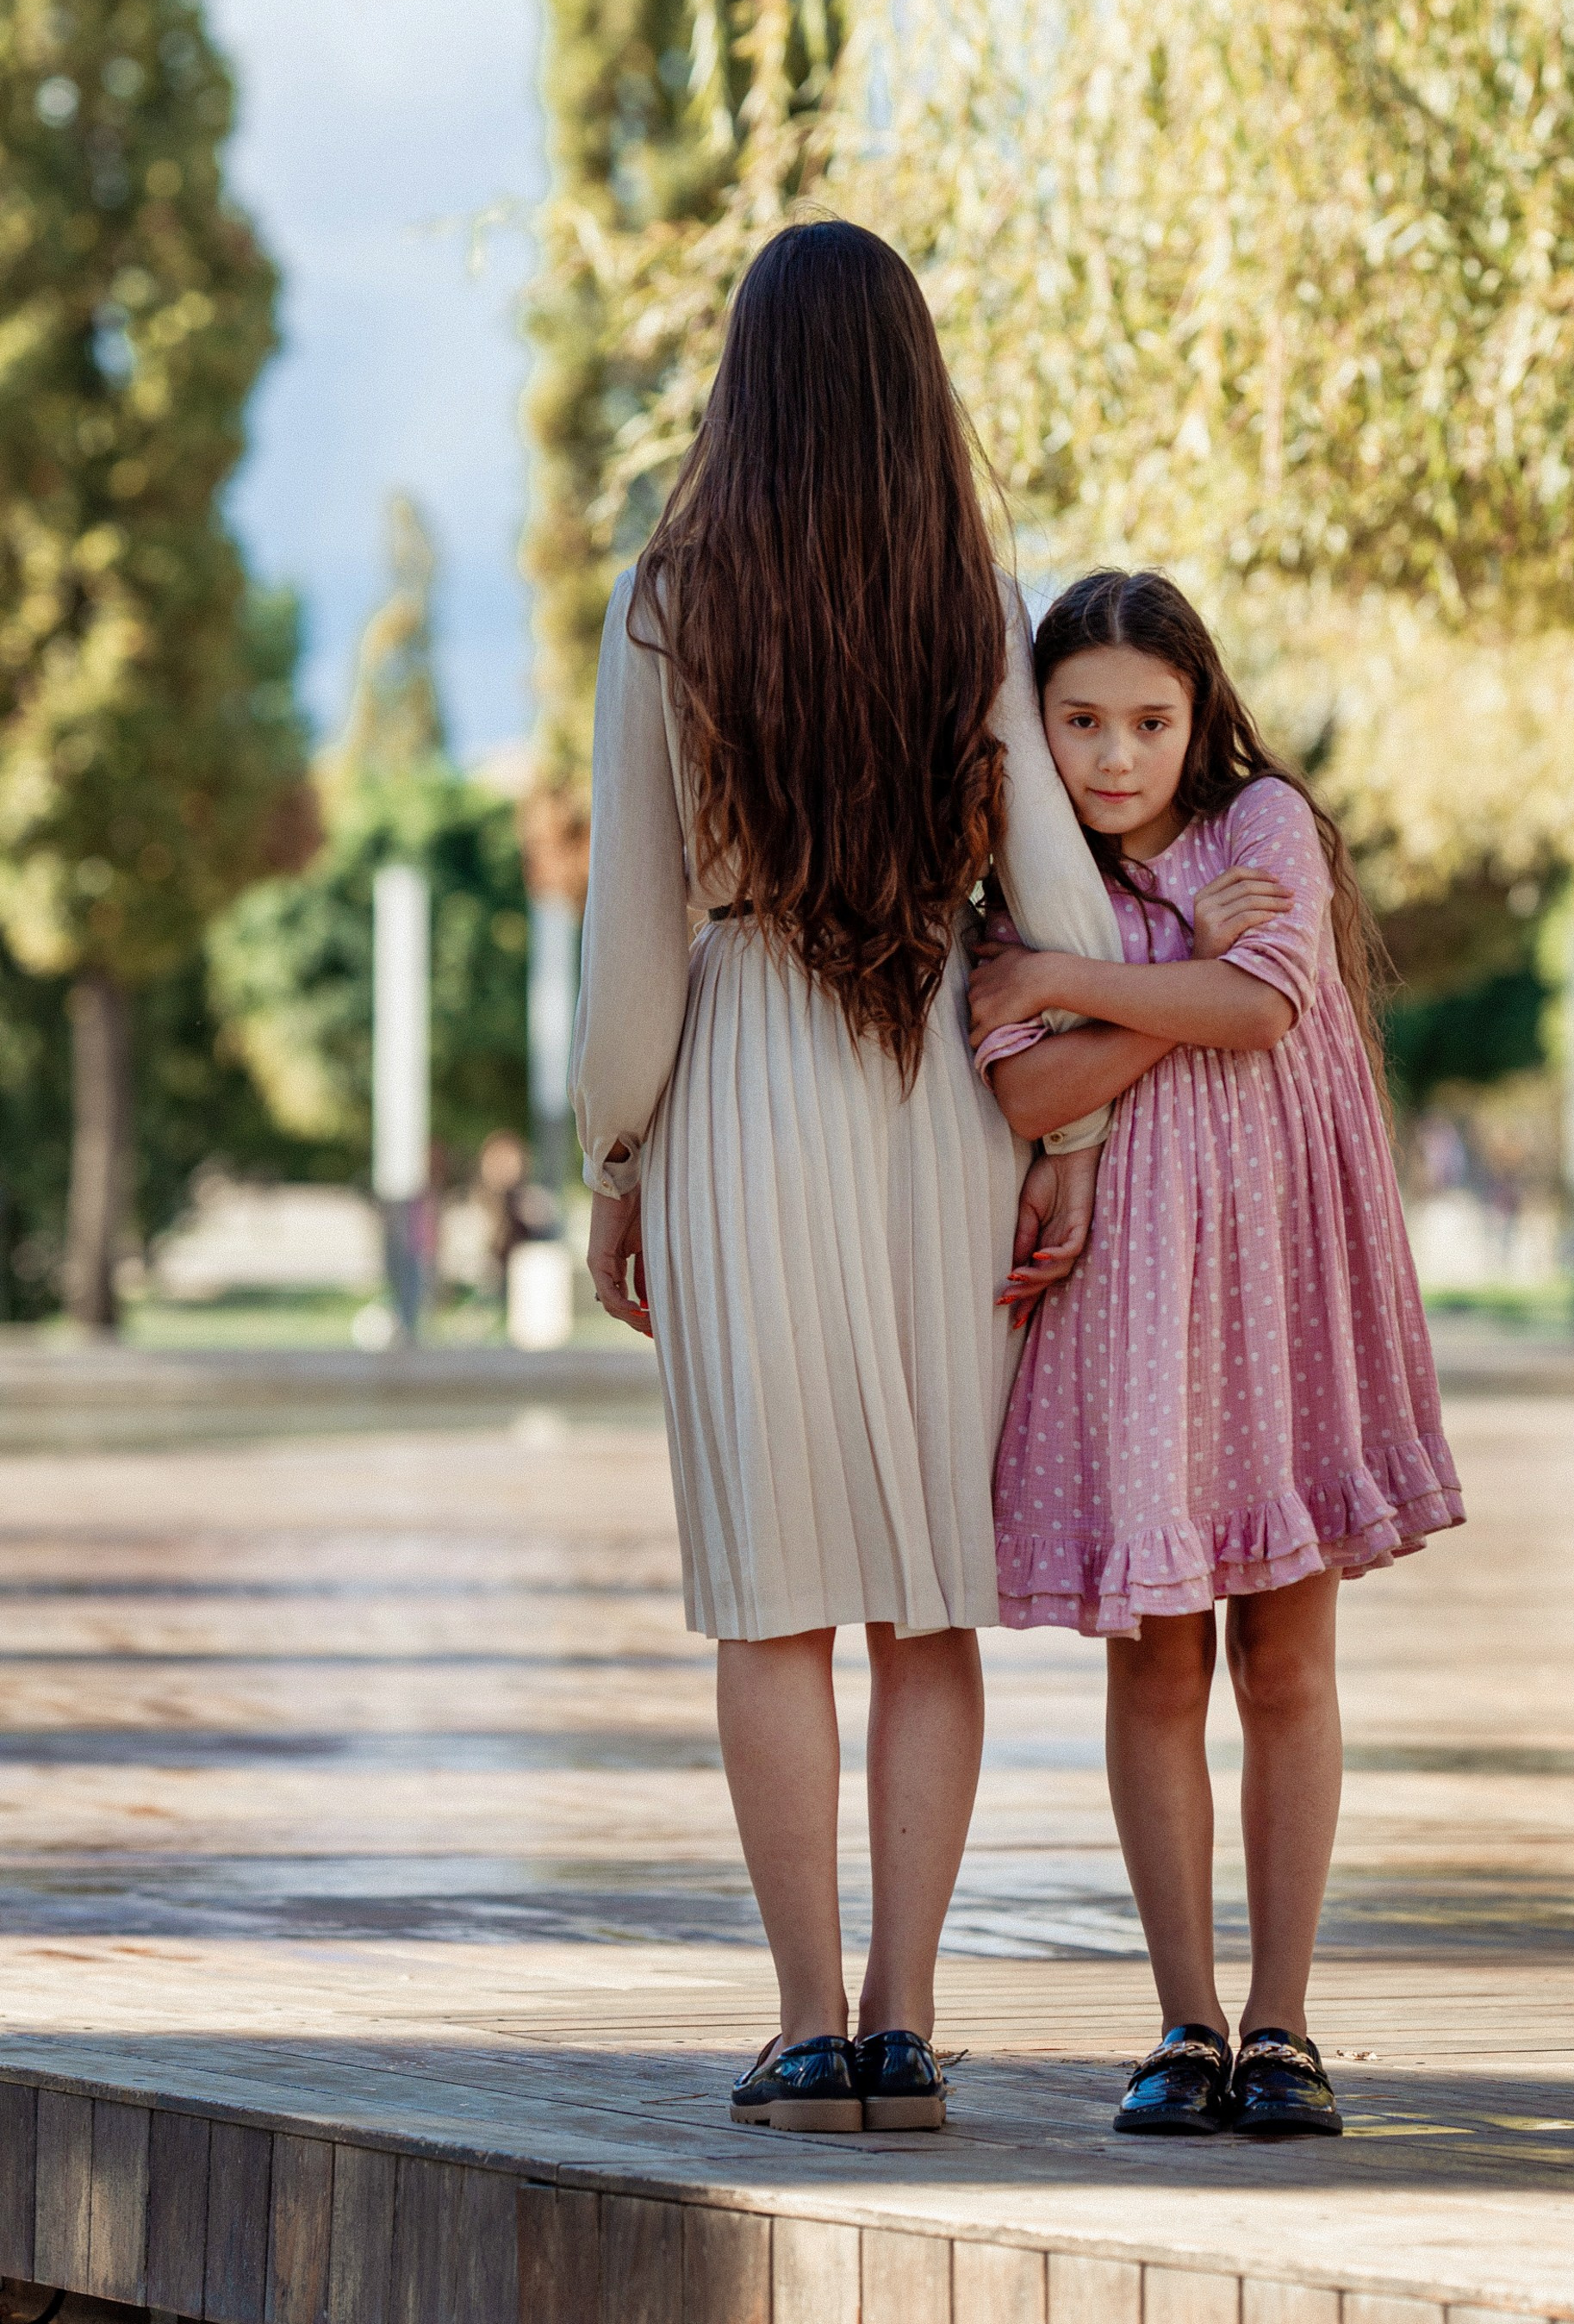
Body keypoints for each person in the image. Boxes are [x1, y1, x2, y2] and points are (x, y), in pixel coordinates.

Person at [571, 221, 1122, 2134]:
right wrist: (1066, 1132)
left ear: (744, 377)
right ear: (910, 379)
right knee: (922, 1596)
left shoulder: (666, 602)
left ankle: (804, 2021)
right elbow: (1050, 889)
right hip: (936, 1101)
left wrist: (616, 1156)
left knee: (773, 1595)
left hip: (737, 1081)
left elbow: (636, 930)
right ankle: (905, 2011)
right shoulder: (970, 599)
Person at [968, 569, 1464, 2141]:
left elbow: (1271, 1004)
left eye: (1150, 721)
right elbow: (1032, 1099)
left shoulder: (1269, 828)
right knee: (1160, 1661)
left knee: (1289, 1660)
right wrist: (1151, 965)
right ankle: (1185, 2020)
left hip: (1288, 1287)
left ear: (1201, 716)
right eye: (1083, 721)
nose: (1117, 756)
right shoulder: (1020, 878)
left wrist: (1080, 984)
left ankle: (1286, 2024)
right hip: (1139, 1308)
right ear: (1035, 728)